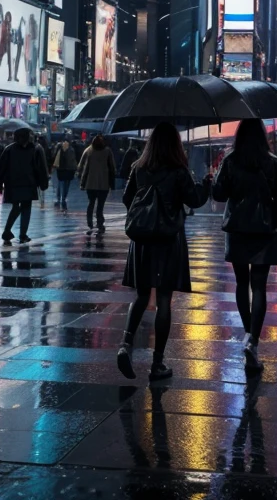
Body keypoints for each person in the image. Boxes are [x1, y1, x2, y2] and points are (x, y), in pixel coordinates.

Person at [117, 122, 211, 381]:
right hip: (169, 239)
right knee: (164, 300)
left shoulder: (139, 168)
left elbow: (127, 199)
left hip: (143, 238)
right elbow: (194, 200)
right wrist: (206, 183)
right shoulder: (178, 171)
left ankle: (126, 344)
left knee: (141, 294)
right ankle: (157, 363)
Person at [212, 119, 277, 372]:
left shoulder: (230, 161)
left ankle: (247, 335)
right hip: (265, 229)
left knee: (242, 283)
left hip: (238, 228)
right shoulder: (273, 162)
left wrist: (214, 180)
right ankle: (253, 340)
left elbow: (219, 195)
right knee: (260, 286)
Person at [0, 128, 49, 243]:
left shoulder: (9, 149)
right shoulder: (35, 149)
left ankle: (8, 230)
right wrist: (43, 183)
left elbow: (1, 168)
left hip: (13, 184)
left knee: (16, 208)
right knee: (26, 208)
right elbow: (41, 168)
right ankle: (22, 234)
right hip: (29, 183)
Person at [78, 134, 116, 231]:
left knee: (91, 202)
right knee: (100, 204)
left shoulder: (89, 150)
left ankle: (89, 221)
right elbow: (112, 167)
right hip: (104, 183)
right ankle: (99, 221)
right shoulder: (107, 151)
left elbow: (81, 165)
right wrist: (112, 181)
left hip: (90, 183)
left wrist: (82, 180)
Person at [52, 133, 77, 209]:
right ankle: (64, 199)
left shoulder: (59, 147)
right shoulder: (71, 149)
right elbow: (73, 160)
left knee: (60, 184)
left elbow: (54, 156)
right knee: (67, 185)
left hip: (61, 169)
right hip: (69, 170)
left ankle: (59, 199)